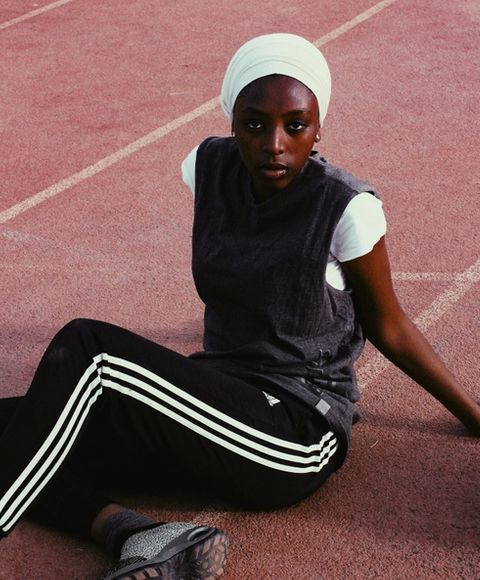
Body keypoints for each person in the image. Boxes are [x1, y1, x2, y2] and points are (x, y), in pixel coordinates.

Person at [0, 33, 478, 580]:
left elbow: (389, 325)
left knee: (90, 352)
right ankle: (138, 534)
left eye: (295, 125)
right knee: (19, 430)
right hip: (214, 397)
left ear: (319, 127)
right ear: (232, 120)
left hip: (294, 432)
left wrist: (474, 416)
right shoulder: (206, 169)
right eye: (254, 123)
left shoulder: (346, 208)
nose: (274, 142)